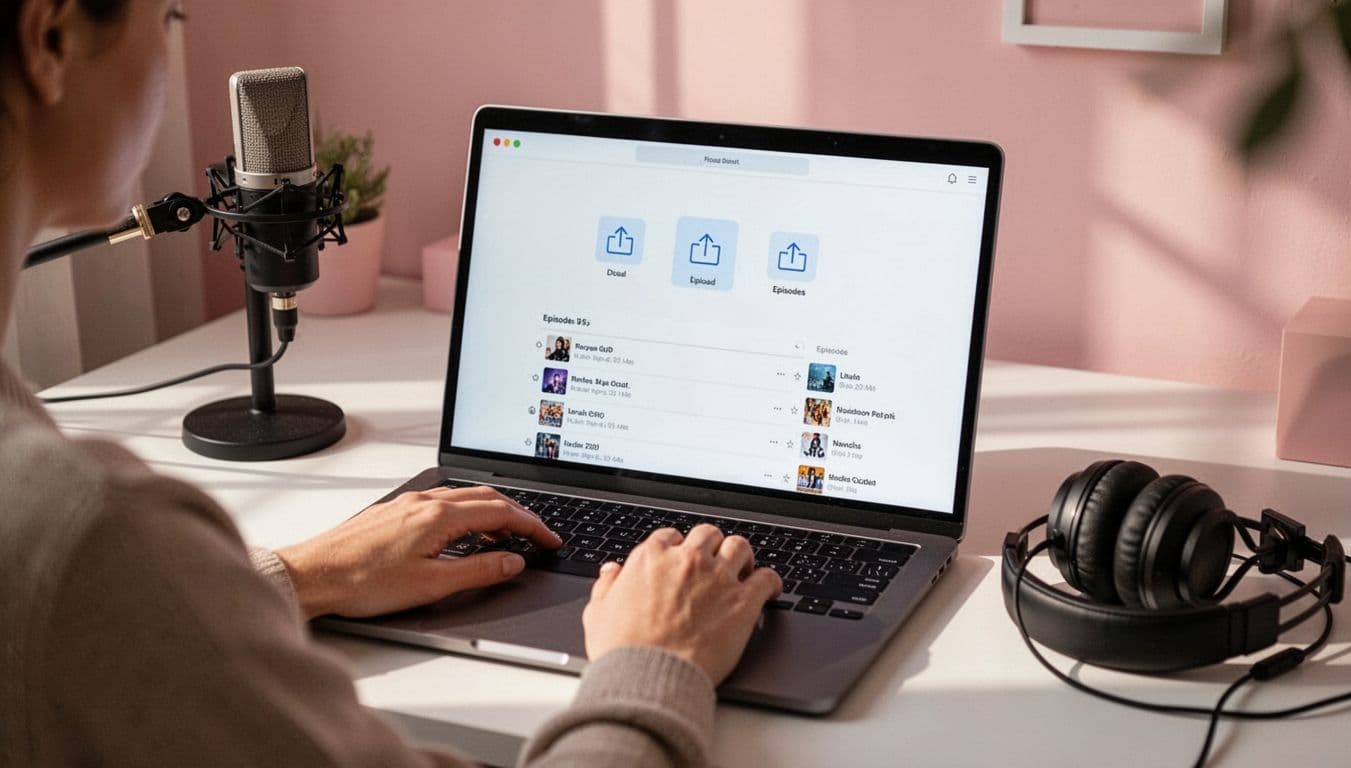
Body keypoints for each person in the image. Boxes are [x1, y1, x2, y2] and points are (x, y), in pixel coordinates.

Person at [0, 2, 782, 765]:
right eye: (168, 16)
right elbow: (91, 599)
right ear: (52, 38)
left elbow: (110, 641)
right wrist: (656, 662)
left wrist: (300, 577)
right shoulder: (84, 528)